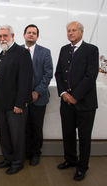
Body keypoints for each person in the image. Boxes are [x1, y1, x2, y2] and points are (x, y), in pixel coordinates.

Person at [55, 21, 99, 181]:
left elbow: (91, 75)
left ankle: (82, 167)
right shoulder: (64, 49)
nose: (70, 33)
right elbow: (58, 73)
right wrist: (63, 93)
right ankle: (70, 160)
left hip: (85, 103)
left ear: (81, 32)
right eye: (68, 31)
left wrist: (75, 96)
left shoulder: (91, 50)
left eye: (73, 30)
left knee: (84, 137)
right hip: (66, 101)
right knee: (67, 133)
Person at [0, 25, 33, 174]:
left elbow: (25, 80)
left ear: (13, 36)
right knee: (5, 134)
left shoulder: (22, 53)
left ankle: (17, 162)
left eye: (5, 35)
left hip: (15, 105)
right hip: (2, 103)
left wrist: (19, 104)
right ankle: (8, 158)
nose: (2, 39)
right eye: (0, 36)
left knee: (17, 136)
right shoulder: (2, 53)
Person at [22, 24, 53, 166]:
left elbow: (48, 74)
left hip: (39, 98)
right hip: (21, 99)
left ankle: (36, 153)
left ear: (37, 36)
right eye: (29, 32)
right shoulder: (18, 51)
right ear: (24, 35)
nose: (31, 35)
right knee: (24, 127)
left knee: (36, 127)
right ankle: (26, 152)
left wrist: (37, 91)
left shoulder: (45, 52)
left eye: (34, 33)